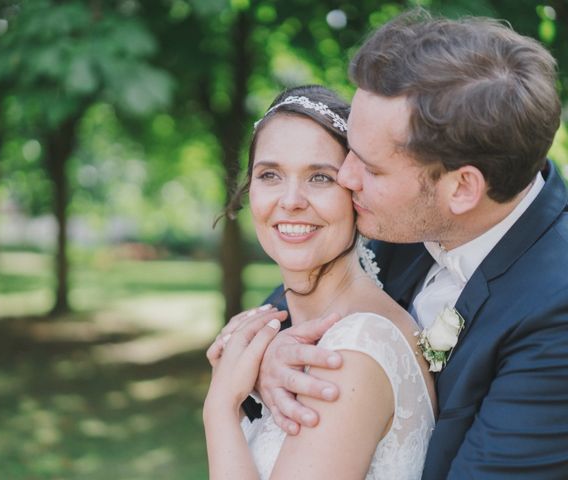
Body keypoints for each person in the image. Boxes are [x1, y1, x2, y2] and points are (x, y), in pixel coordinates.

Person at [255, 11, 568, 479]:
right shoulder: (398, 217)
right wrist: (268, 359)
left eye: (371, 167)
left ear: (462, 189)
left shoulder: (556, 316)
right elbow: (292, 304)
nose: (345, 177)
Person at [203, 85, 437, 479]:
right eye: (270, 174)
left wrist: (220, 409)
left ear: (355, 193)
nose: (291, 199)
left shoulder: (357, 349)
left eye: (320, 178)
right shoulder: (285, 331)